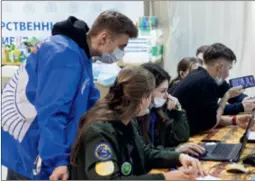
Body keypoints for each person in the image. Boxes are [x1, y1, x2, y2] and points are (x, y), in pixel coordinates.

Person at [1, 10, 138, 180]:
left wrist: (119, 116)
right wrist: (57, 161)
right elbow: (52, 112)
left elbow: (90, 100)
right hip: (32, 147)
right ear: (104, 38)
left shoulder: (81, 54)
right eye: (121, 46)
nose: (121, 53)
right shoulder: (63, 55)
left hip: (43, 143)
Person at [70, 66, 206, 180]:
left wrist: (178, 156)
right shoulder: (98, 131)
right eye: (149, 96)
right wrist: (165, 178)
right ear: (142, 99)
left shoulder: (128, 120)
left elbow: (144, 153)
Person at [172, 43, 251, 135]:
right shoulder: (207, 83)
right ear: (219, 67)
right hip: (178, 137)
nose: (228, 74)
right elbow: (210, 125)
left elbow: (205, 118)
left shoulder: (198, 75)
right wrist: (227, 96)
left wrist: (233, 120)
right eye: (228, 68)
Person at [137, 63, 205, 157]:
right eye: (162, 91)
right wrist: (175, 150)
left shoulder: (159, 109)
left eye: (167, 91)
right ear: (147, 91)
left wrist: (178, 110)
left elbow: (181, 137)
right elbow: (146, 153)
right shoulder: (137, 115)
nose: (167, 96)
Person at [195, 45, 255, 115]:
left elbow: (233, 95)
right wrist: (241, 106)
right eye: (200, 62)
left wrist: (248, 100)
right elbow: (211, 111)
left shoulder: (217, 81)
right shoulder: (197, 83)